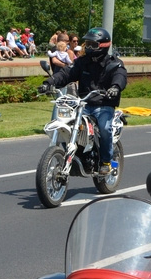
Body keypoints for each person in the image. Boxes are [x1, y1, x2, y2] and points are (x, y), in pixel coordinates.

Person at [40, 27, 126, 175]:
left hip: (103, 104)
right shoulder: (82, 62)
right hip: (83, 104)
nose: (89, 48)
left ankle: (106, 161)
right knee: (67, 123)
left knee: (105, 129)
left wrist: (115, 87)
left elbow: (120, 76)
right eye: (88, 44)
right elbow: (67, 73)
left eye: (93, 44)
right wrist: (49, 82)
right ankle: (69, 152)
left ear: (103, 46)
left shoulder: (114, 63)